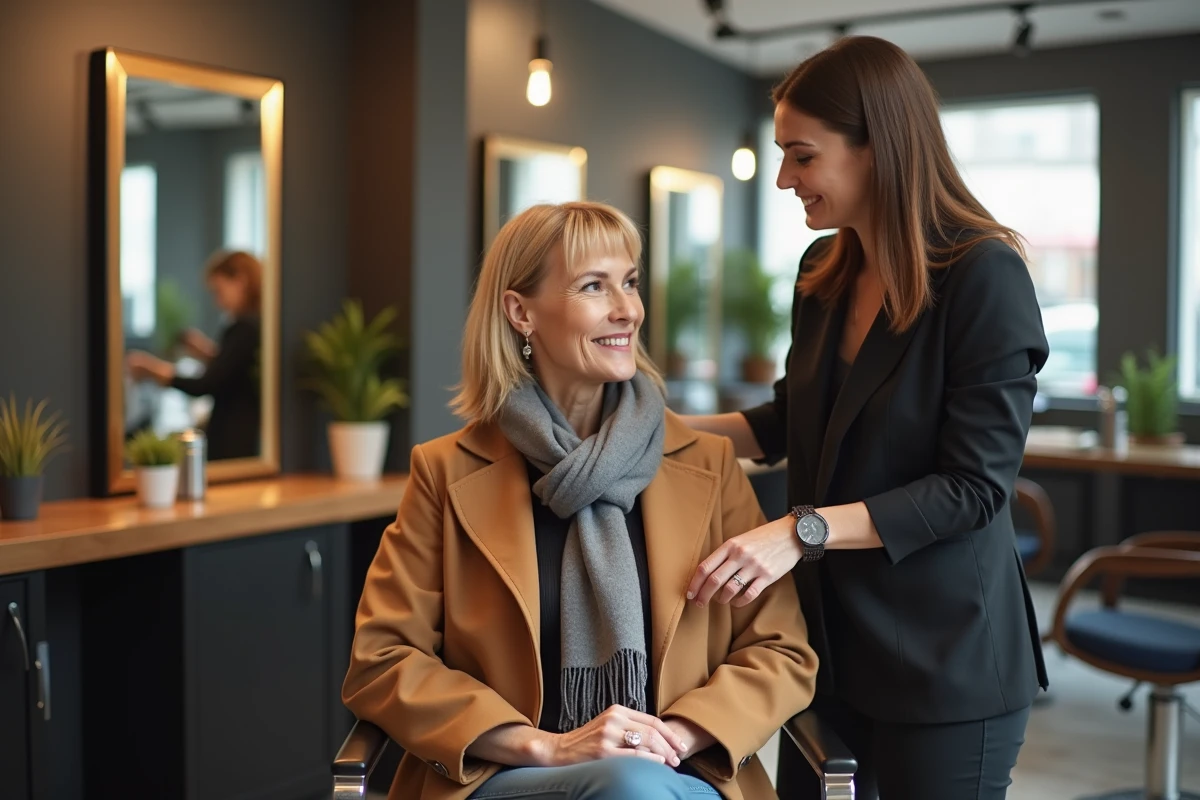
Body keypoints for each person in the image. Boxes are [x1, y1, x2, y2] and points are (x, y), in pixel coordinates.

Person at [341, 202, 817, 800]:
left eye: (631, 282)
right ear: (520, 312)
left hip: (677, 773)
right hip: (506, 777)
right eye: (594, 286)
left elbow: (780, 648)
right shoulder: (445, 472)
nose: (628, 309)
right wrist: (546, 745)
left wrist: (676, 735)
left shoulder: (706, 464)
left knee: (634, 786)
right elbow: (382, 660)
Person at [681, 36, 1050, 800]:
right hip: (826, 648)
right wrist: (656, 429)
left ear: (877, 147)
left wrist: (798, 530)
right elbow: (788, 421)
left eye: (802, 155)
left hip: (946, 662)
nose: (784, 178)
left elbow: (974, 489)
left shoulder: (985, 275)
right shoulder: (822, 274)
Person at [126, 250, 262, 460]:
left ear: (241, 280)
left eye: (219, 291)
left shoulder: (244, 328)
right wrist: (209, 354)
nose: (218, 302)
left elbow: (207, 384)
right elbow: (235, 370)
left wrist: (154, 370)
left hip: (233, 437)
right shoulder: (258, 325)